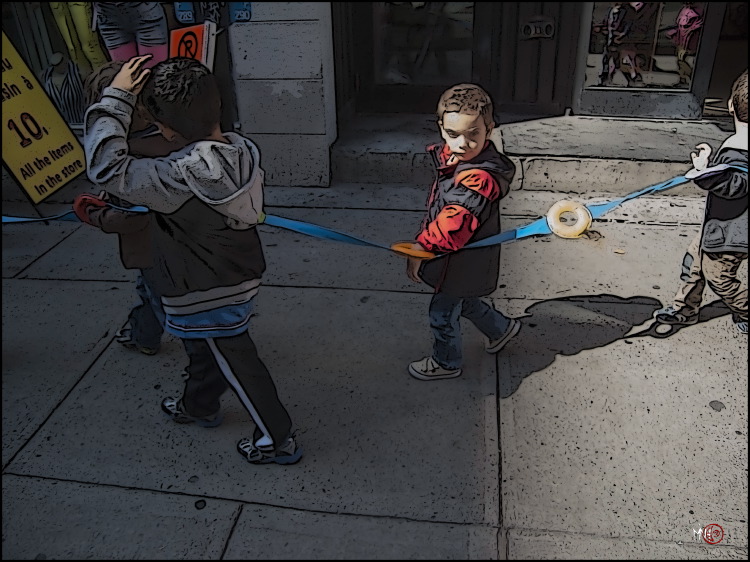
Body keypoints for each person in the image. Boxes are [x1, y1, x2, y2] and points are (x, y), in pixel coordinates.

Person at [83, 55, 302, 464]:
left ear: (165, 128)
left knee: (237, 361)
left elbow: (106, 166)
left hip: (204, 287)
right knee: (211, 351)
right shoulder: (240, 150)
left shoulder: (177, 177)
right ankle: (199, 406)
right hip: (236, 273)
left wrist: (115, 99)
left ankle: (277, 437)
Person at [401, 83, 519, 381]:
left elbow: (453, 225)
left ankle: (447, 362)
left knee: (441, 313)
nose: (462, 144)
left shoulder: (478, 177)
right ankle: (501, 329)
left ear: (489, 129)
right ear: (441, 128)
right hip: (464, 260)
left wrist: (420, 248)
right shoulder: (459, 160)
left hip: (460, 258)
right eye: (453, 135)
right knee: (464, 300)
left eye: (473, 134)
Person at [655, 69, 748, 334]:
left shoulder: (739, 151)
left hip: (733, 235)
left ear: (729, 105)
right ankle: (685, 308)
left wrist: (704, 172)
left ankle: (745, 309)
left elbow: (734, 185)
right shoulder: (737, 145)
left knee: (720, 278)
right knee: (693, 263)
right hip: (719, 227)